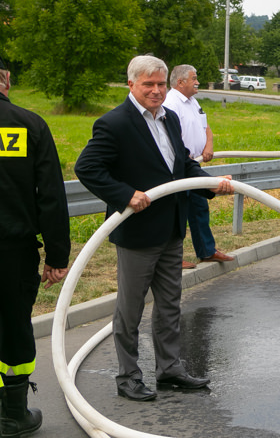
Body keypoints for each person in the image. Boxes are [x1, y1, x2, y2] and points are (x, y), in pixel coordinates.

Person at [75, 55, 233, 402]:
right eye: (149, 84)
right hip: (137, 233)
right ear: (131, 84)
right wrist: (125, 195)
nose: (156, 90)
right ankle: (128, 376)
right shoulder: (114, 123)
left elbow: (184, 165)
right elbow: (87, 168)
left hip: (172, 228)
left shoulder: (170, 118)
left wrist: (210, 184)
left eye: (161, 84)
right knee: (130, 308)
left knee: (169, 304)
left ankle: (170, 369)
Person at [0, 55, 70, 436]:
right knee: (13, 326)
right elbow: (51, 198)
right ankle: (11, 413)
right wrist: (57, 256)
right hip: (12, 252)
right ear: (6, 80)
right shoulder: (29, 125)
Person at [163, 64, 235, 268]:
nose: (198, 82)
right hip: (178, 168)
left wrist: (208, 145)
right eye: (194, 78)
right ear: (180, 82)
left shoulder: (192, 102)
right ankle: (173, 258)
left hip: (194, 165)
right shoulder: (171, 104)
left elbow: (206, 126)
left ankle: (207, 251)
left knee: (199, 208)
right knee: (176, 212)